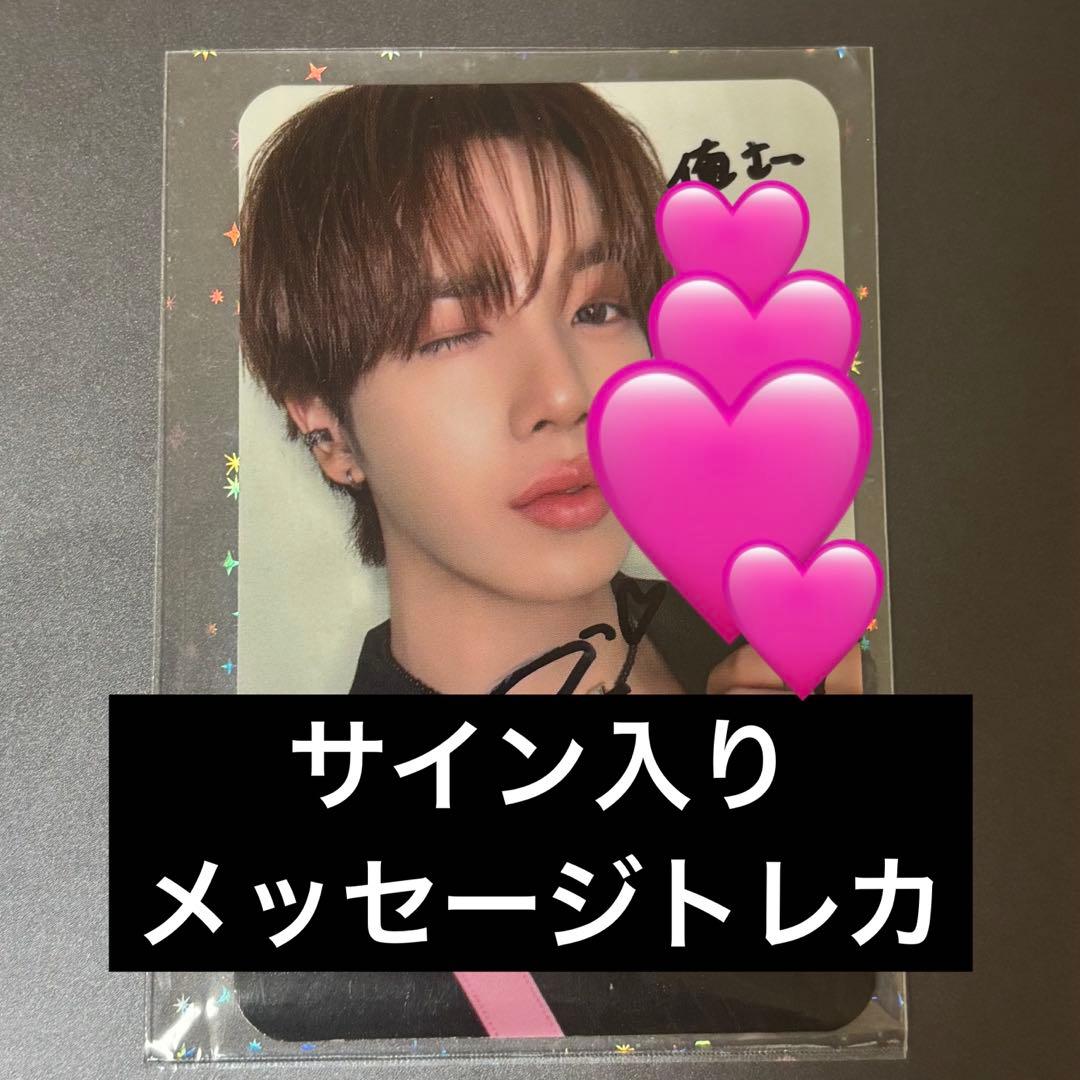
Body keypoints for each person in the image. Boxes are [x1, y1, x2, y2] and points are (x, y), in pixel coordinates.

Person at [239, 83, 861, 695]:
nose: (566, 398)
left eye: (597, 311)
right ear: (327, 428)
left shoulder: (796, 646)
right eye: (453, 334)